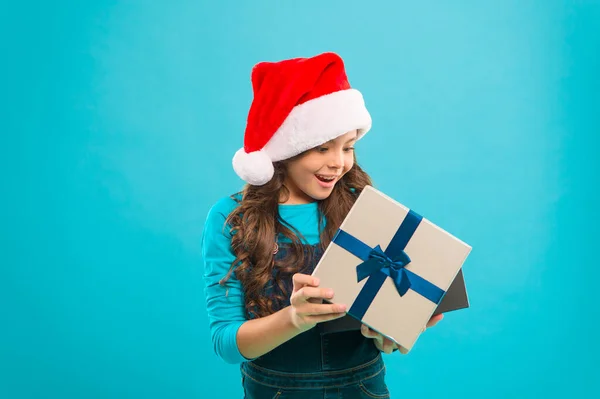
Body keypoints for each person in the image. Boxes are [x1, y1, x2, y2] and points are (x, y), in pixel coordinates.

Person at [202, 52, 443, 398]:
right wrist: (293, 318)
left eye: (348, 148)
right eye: (322, 148)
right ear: (285, 148)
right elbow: (225, 342)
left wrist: (393, 331)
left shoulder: (363, 205)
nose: (338, 163)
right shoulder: (232, 219)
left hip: (362, 386)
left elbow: (383, 325)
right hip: (275, 391)